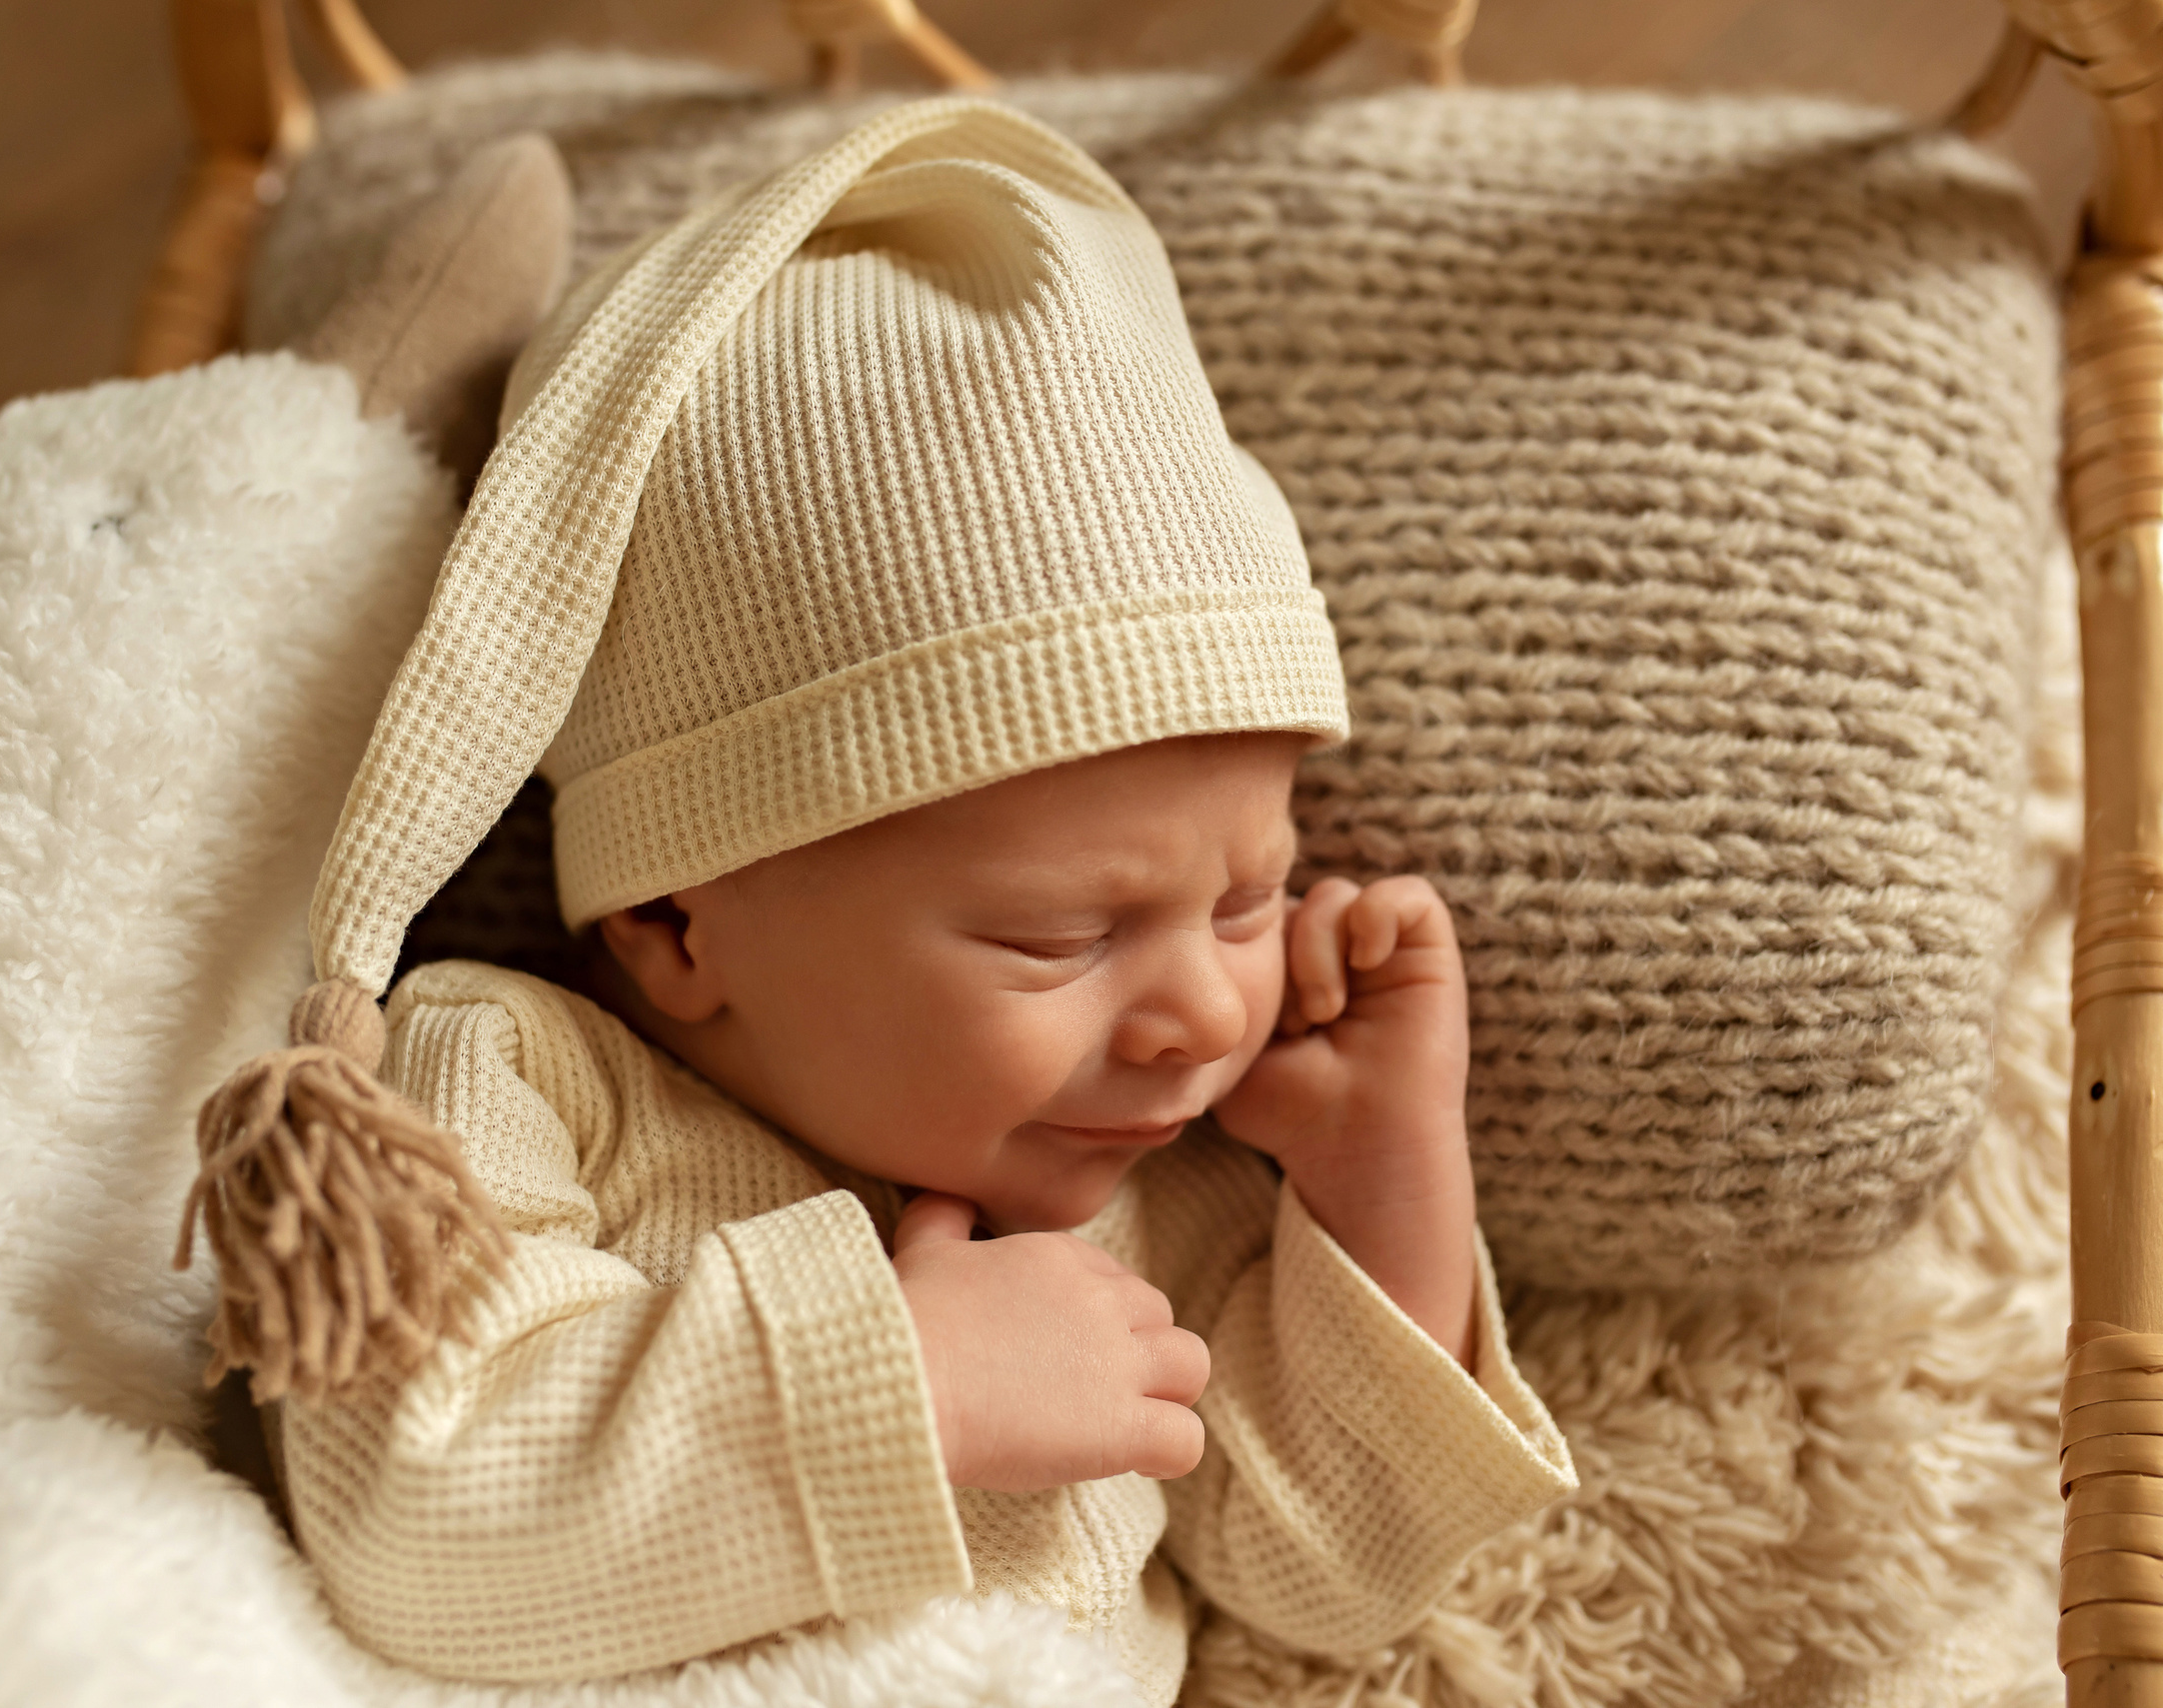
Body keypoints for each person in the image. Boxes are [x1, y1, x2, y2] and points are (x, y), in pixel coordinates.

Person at [183, 96, 1576, 1706]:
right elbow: (416, 1516)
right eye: (1061, 934)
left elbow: (1329, 1564)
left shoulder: (1122, 1201)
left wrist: (1384, 1172)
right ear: (680, 925)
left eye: (1252, 898)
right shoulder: (513, 1081)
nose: (1204, 1008)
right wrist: (885, 1388)